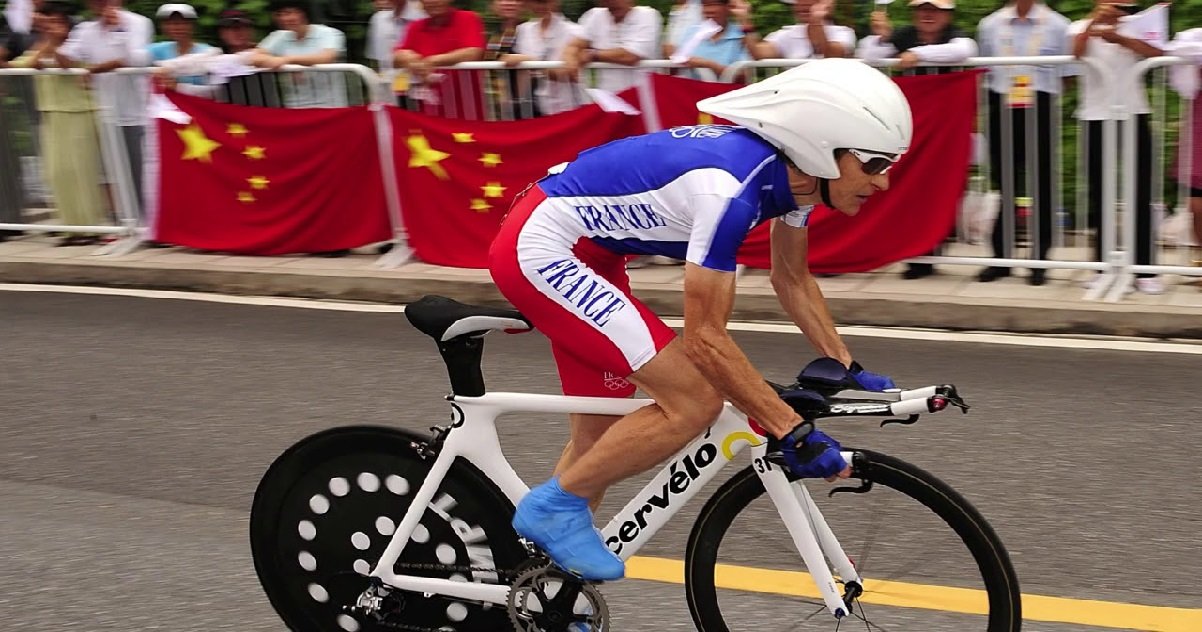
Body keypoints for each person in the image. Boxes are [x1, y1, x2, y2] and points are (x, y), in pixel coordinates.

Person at [488, 58, 910, 580]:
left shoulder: (797, 183)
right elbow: (706, 339)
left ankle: (543, 591)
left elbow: (791, 278)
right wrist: (789, 428)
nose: (884, 183)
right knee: (693, 400)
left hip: (590, 253)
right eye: (873, 165)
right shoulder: (727, 191)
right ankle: (550, 510)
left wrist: (842, 362)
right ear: (823, 149)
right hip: (544, 249)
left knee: (599, 447)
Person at [857, 0, 977, 279]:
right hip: (910, 126)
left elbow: (965, 50)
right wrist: (883, 37)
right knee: (908, 186)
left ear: (947, 15)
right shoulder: (903, 35)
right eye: (922, 9)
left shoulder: (955, 36)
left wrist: (916, 54)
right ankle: (915, 255)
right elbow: (868, 53)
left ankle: (931, 250)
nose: (927, 15)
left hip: (944, 130)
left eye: (934, 9)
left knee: (940, 186)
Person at [1071, 1, 1165, 294]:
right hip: (1095, 116)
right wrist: (1091, 25)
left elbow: (1159, 54)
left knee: (1140, 191)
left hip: (1134, 113)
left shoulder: (1139, 25)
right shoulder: (1077, 26)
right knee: (1100, 193)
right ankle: (1102, 266)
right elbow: (1075, 52)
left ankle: (1144, 269)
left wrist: (1122, 38)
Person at [975, 0, 1071, 285]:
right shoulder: (990, 24)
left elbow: (1066, 78)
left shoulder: (1058, 25)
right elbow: (984, 71)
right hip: (1001, 103)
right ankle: (1001, 258)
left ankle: (1039, 259)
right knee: (1004, 184)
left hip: (1039, 104)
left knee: (1041, 183)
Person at [11, 1, 109, 243]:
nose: (52, 26)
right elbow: (22, 66)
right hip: (51, 112)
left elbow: (67, 64)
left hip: (79, 112)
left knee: (81, 172)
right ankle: (70, 226)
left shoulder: (79, 44)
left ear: (68, 25)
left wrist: (53, 44)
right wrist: (46, 43)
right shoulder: (41, 47)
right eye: (49, 21)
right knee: (56, 173)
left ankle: (90, 228)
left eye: (58, 22)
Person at [59, 0, 153, 219]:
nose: (100, 4)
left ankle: (149, 223)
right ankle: (126, 221)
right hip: (106, 111)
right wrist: (54, 40)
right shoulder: (85, 29)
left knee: (142, 170)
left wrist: (94, 68)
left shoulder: (139, 23)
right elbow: (66, 57)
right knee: (114, 170)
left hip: (137, 110)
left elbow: (135, 59)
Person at [393, 0, 486, 119]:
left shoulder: (467, 18)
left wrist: (432, 61)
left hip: (466, 110)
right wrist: (410, 58)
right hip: (428, 111)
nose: (432, 1)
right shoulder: (416, 26)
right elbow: (397, 57)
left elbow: (474, 52)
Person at [252, 0, 347, 108]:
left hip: (330, 106)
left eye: (289, 13)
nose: (284, 18)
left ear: (303, 13)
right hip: (294, 106)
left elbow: (327, 57)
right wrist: (274, 60)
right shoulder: (278, 36)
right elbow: (254, 57)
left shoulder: (329, 33)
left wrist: (287, 60)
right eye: (280, 14)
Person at [502, 0, 586, 116]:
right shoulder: (524, 30)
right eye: (535, 2)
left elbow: (572, 73)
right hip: (537, 107)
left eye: (545, 1)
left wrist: (532, 62)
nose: (540, 6)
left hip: (569, 106)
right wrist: (516, 102)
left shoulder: (575, 31)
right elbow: (521, 72)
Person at [562, 0, 662, 94]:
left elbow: (631, 56)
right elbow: (574, 45)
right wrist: (571, 64)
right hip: (608, 98)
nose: (611, 2)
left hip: (643, 97)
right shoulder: (595, 15)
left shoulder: (648, 15)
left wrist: (592, 55)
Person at [741, 0, 854, 61]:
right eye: (798, 2)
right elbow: (759, 53)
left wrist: (816, 22)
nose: (802, 5)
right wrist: (744, 20)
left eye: (810, 1)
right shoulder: (787, 34)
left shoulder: (843, 33)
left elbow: (831, 57)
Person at [671, 0, 750, 80]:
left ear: (728, 7)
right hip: (692, 90)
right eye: (705, 5)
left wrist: (709, 65)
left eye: (715, 4)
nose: (709, 10)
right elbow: (675, 68)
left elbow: (742, 77)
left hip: (730, 91)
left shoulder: (740, 34)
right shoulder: (692, 32)